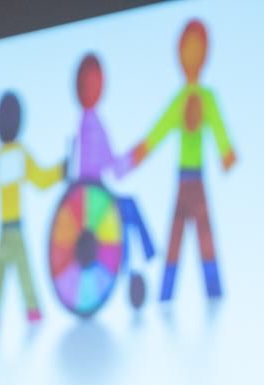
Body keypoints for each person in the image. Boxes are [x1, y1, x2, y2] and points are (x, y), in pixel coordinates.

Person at [124, 17, 236, 301]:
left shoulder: (208, 98)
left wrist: (226, 153)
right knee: (175, 237)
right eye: (187, 48)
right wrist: (136, 156)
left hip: (197, 180)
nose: (191, 55)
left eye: (197, 49)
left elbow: (218, 126)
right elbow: (159, 130)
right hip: (183, 180)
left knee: (205, 236)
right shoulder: (179, 100)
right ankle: (165, 294)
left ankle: (213, 293)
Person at [0, 93, 65, 333]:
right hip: (12, 227)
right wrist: (62, 170)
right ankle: (28, 312)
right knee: (18, 271)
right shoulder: (17, 155)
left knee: (2, 274)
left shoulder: (0, 158)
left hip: (8, 228)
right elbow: (42, 180)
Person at [70, 52, 155, 276]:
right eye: (87, 84)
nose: (91, 89)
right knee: (126, 210)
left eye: (95, 83)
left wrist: (133, 159)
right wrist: (134, 158)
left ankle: (128, 264)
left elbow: (112, 165)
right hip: (92, 197)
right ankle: (127, 264)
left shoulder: (93, 121)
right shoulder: (90, 122)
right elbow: (110, 165)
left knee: (126, 210)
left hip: (95, 193)